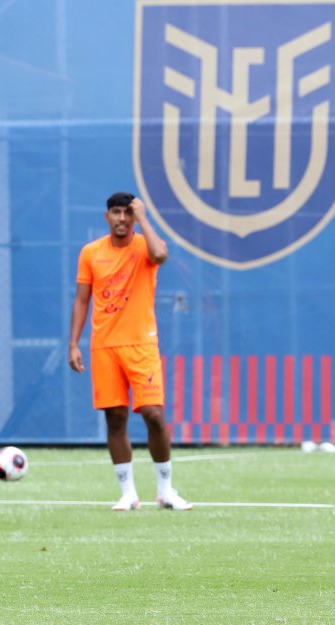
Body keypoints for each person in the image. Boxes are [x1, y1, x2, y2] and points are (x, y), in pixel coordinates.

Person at [68, 192, 192, 512]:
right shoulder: (91, 252)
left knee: (154, 415)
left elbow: (160, 255)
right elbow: (82, 299)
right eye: (116, 213)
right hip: (104, 345)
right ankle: (128, 493)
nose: (122, 219)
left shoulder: (145, 245)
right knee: (115, 418)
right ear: (107, 216)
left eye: (128, 213)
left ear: (134, 217)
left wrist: (145, 218)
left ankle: (165, 490)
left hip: (141, 344)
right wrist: (74, 344)